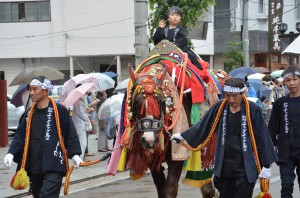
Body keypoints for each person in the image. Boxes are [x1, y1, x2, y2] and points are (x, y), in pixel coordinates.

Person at [171, 78, 277, 197]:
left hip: (245, 166)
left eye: (235, 96)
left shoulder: (252, 108)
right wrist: (183, 136)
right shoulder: (220, 106)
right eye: (228, 95)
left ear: (243, 93)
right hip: (224, 165)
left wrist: (266, 165)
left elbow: (262, 136)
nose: (231, 100)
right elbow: (204, 124)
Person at [3, 76, 82, 198]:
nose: (31, 93)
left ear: (45, 91)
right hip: (35, 165)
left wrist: (75, 155)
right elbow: (20, 135)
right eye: (30, 89)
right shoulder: (29, 113)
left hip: (55, 163)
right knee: (38, 195)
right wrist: (11, 153)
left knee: (46, 195)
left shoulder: (60, 111)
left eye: (35, 89)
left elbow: (70, 133)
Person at [268, 66, 300, 198]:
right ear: (284, 82)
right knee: (286, 186)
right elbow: (272, 128)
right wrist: (271, 149)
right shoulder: (280, 103)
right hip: (285, 152)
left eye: (295, 79)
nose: (291, 83)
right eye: (288, 80)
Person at [153, 6, 203, 70]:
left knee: (192, 57)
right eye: (172, 15)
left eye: (178, 15)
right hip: (163, 52)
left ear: (180, 19)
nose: (175, 17)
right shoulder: (163, 29)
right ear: (168, 18)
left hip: (180, 51)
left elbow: (182, 42)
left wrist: (171, 48)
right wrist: (159, 28)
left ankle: (199, 72)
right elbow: (156, 42)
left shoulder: (181, 29)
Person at [72, 84, 92, 161]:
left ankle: (81, 158)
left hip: (78, 124)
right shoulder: (79, 102)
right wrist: (87, 113)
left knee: (81, 142)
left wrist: (86, 111)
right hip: (80, 125)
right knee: (82, 143)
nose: (85, 93)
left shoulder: (78, 101)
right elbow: (82, 115)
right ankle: (80, 159)